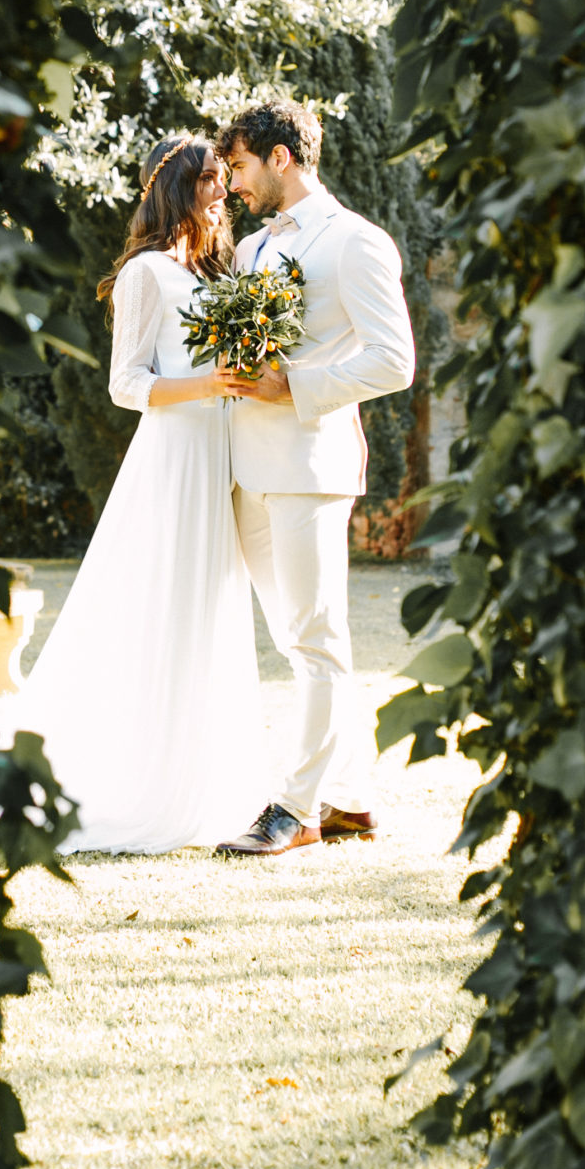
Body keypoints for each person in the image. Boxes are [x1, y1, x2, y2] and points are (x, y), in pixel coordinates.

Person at [16, 135, 266, 853]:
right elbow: (125, 385)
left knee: (210, 607)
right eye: (209, 181)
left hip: (220, 451)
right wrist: (209, 382)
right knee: (163, 604)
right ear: (176, 188)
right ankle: (141, 779)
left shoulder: (214, 270)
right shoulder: (146, 274)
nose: (222, 192)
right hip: (173, 457)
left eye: (224, 179)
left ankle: (206, 777)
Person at [213, 99, 416, 858]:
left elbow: (394, 361)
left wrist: (292, 385)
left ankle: (295, 810)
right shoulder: (253, 250)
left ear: (281, 157)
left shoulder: (355, 241)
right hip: (247, 466)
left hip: (309, 463)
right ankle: (353, 802)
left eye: (238, 167)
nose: (232, 185)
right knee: (301, 644)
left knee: (316, 641)